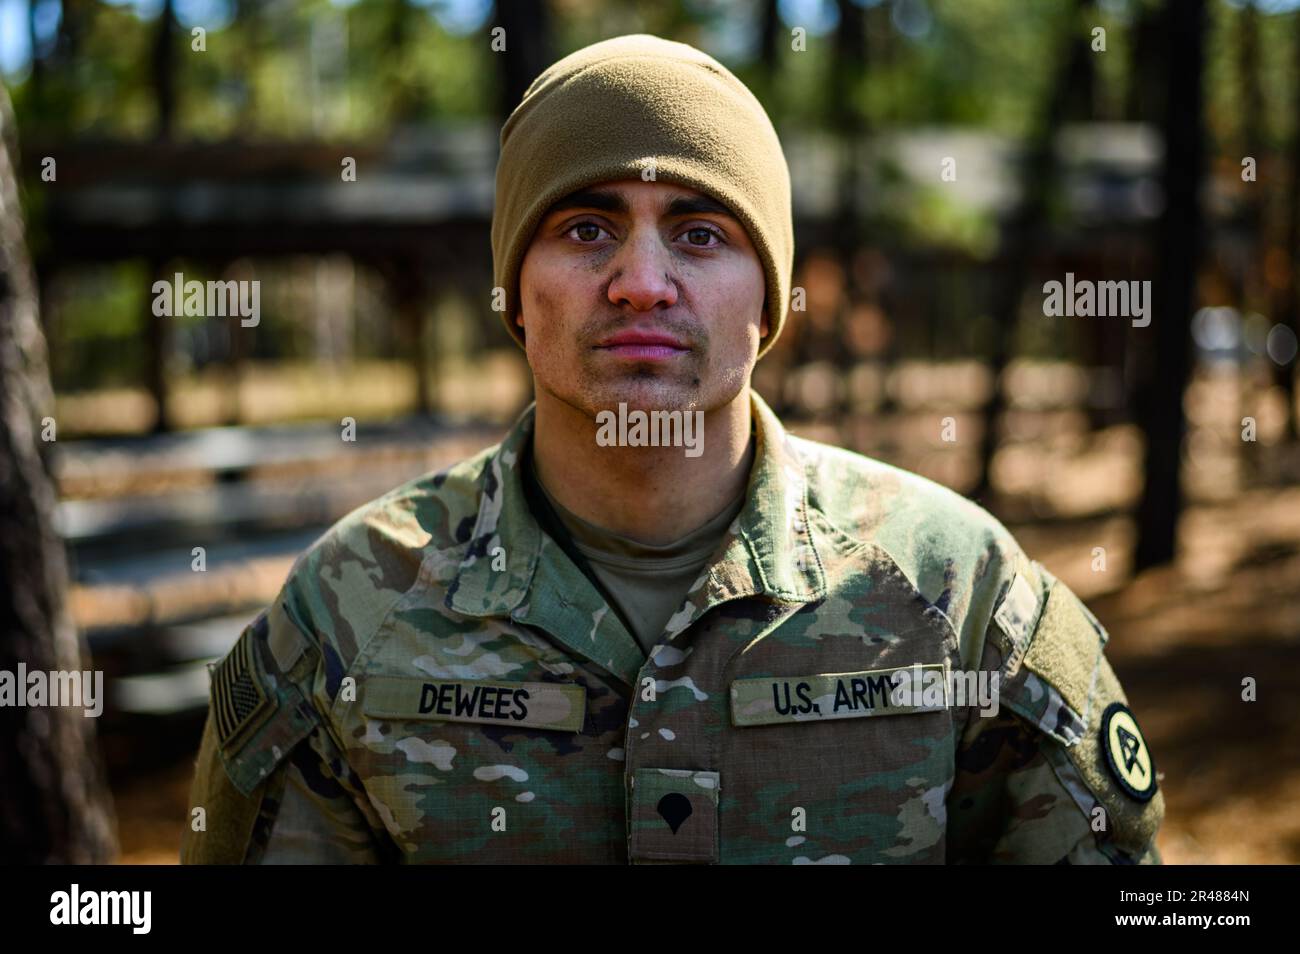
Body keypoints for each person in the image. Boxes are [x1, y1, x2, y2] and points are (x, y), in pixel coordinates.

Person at [181, 34, 1163, 864]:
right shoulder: (348, 611)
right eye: (583, 227)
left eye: (698, 233)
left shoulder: (959, 593)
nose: (640, 282)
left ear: (767, 301)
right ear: (515, 293)